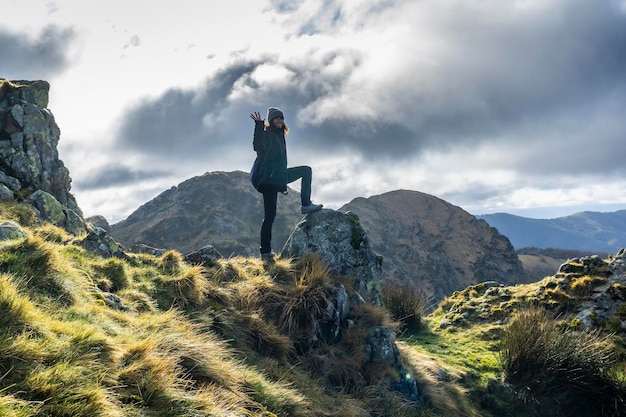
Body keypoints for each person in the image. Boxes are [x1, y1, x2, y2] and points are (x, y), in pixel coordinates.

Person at [250, 106, 323, 260]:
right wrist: (258, 125)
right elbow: (258, 146)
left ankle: (305, 204)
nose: (280, 120)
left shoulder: (280, 135)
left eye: (281, 118)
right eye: (276, 118)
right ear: (271, 120)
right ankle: (265, 252)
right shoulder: (268, 134)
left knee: (306, 170)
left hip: (279, 176)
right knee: (269, 216)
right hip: (269, 180)